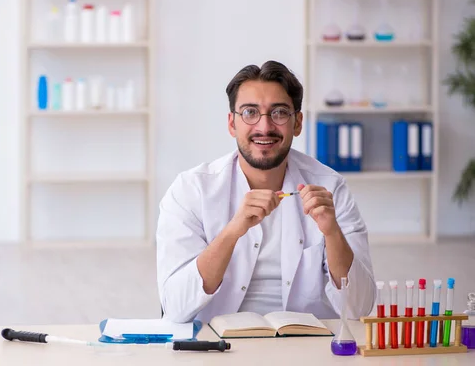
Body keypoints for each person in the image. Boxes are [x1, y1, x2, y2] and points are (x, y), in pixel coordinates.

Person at [156, 60, 376, 324]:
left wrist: (332, 233)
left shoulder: (330, 188)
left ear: (297, 123)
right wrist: (232, 231)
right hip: (216, 345)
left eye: (279, 113)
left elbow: (360, 308)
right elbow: (176, 307)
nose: (264, 127)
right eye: (250, 112)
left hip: (306, 344)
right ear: (231, 124)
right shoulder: (191, 190)